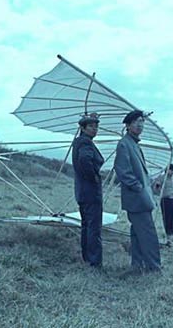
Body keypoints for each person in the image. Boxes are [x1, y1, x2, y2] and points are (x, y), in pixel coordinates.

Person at [114, 110, 161, 272]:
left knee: (137, 233)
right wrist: (139, 188)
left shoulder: (133, 143)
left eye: (142, 121)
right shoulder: (124, 144)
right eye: (136, 122)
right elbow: (123, 172)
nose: (140, 125)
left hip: (140, 197)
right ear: (127, 125)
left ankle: (137, 265)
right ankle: (154, 268)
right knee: (148, 233)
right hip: (137, 198)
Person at [72, 113, 104, 267]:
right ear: (83, 128)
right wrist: (94, 178)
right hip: (90, 192)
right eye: (91, 126)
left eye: (96, 126)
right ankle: (94, 261)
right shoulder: (85, 143)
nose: (94, 129)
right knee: (94, 226)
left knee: (86, 225)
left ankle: (87, 257)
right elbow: (85, 160)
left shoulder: (78, 142)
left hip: (82, 191)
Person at [153, 163, 173, 241]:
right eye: (171, 170)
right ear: (168, 170)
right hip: (165, 199)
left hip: (172, 199)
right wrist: (159, 189)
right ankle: (168, 232)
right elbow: (156, 187)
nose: (172, 172)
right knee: (167, 216)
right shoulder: (162, 178)